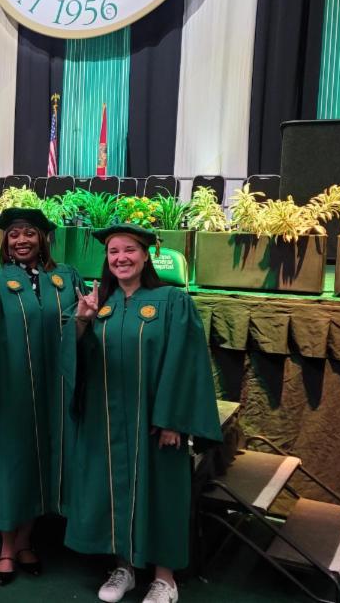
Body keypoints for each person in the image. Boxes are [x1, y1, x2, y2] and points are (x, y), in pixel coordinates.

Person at [66, 224, 221, 603]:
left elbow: (184, 362)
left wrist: (172, 419)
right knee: (113, 490)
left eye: (129, 250)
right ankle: (124, 568)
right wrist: (82, 320)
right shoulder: (100, 303)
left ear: (147, 254)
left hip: (154, 422)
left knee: (161, 493)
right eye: (113, 251)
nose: (121, 257)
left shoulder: (172, 300)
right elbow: (76, 362)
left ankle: (165, 579)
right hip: (106, 421)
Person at [0, 207, 85, 585]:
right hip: (10, 390)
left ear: (43, 238)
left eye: (29, 233)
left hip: (53, 391)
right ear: (5, 242)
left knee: (40, 463)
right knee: (10, 463)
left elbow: (79, 324)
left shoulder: (65, 277)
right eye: (14, 235)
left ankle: (27, 541)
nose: (21, 241)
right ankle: (5, 547)